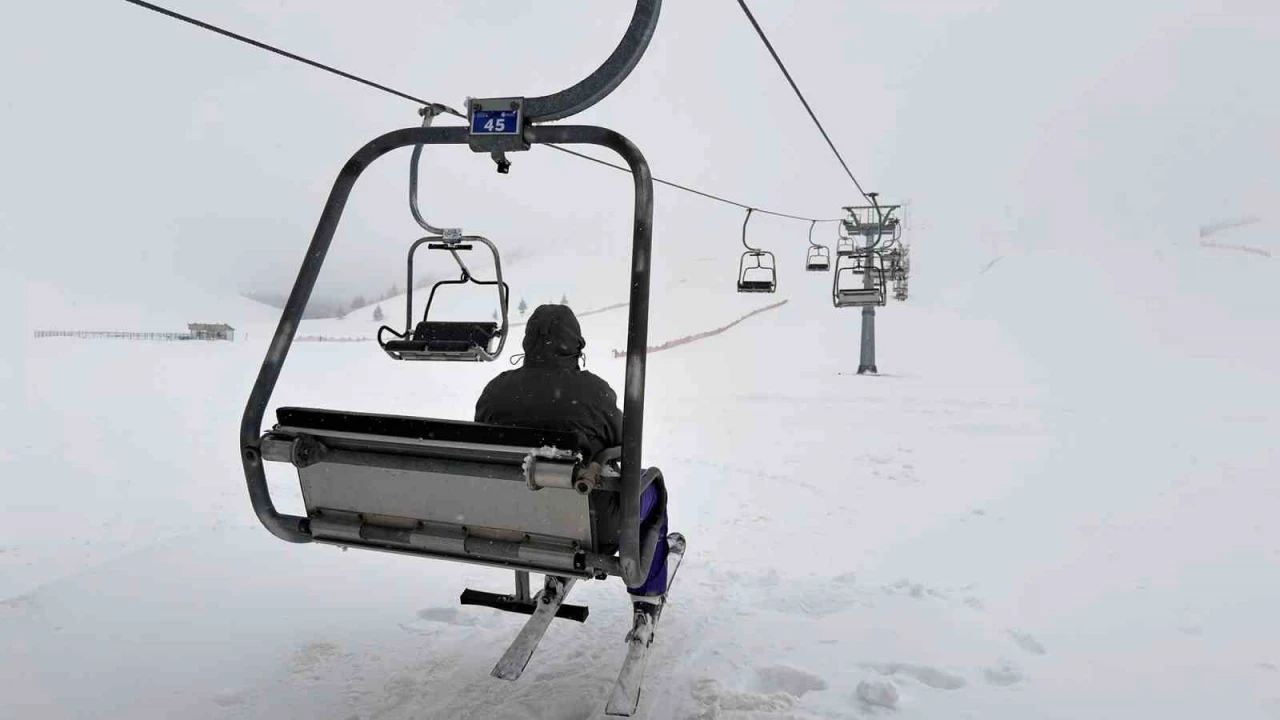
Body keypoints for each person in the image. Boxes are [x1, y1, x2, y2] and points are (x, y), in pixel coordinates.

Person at [475, 304, 670, 608]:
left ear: (528, 342)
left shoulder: (496, 390)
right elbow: (624, 444)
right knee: (652, 489)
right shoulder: (593, 392)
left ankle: (554, 563)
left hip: (510, 520)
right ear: (575, 345)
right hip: (589, 526)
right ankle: (648, 596)